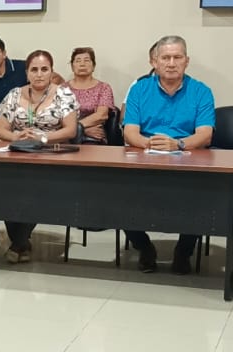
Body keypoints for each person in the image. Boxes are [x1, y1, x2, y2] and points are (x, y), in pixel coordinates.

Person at [121, 36, 216, 274]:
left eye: (177, 57)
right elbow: (130, 131)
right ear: (154, 62)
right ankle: (144, 248)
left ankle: (183, 252)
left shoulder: (201, 91)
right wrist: (150, 143)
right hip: (145, 156)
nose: (171, 63)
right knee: (118, 196)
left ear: (186, 61)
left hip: (187, 158)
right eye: (165, 58)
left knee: (202, 199)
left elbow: (205, 134)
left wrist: (178, 144)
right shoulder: (139, 89)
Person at [0, 50, 79, 262]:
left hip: (51, 155)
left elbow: (70, 130)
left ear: (51, 71)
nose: (39, 74)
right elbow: (1, 130)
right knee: (3, 190)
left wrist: (43, 138)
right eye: (34, 70)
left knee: (32, 190)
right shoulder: (14, 94)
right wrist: (15, 135)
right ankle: (21, 242)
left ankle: (19, 243)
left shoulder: (63, 94)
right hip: (18, 153)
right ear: (27, 73)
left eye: (44, 69)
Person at [65, 45, 115, 143]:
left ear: (93, 66)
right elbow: (57, 118)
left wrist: (76, 128)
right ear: (72, 66)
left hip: (93, 137)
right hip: (66, 137)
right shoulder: (62, 89)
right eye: (78, 61)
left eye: (87, 60)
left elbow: (101, 115)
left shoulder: (104, 88)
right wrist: (80, 130)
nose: (82, 64)